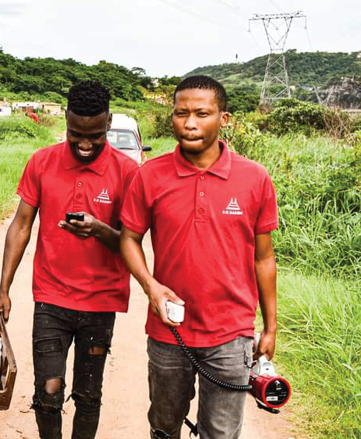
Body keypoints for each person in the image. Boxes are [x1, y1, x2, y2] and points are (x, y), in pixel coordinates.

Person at [119, 75, 278, 439]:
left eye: (202, 113)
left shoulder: (255, 178)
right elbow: (129, 238)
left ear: (224, 118)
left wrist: (269, 326)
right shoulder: (150, 175)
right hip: (169, 330)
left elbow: (264, 258)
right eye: (181, 113)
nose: (189, 123)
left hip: (231, 333)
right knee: (163, 426)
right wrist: (151, 286)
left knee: (221, 433)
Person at [0, 80, 139, 439]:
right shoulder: (42, 162)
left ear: (108, 123)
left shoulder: (128, 173)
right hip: (51, 301)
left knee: (89, 395)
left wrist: (100, 231)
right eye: (76, 135)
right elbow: (21, 225)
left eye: (95, 136)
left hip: (101, 303)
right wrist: (3, 289)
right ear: (66, 121)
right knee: (48, 392)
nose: (85, 145)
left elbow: (132, 244)